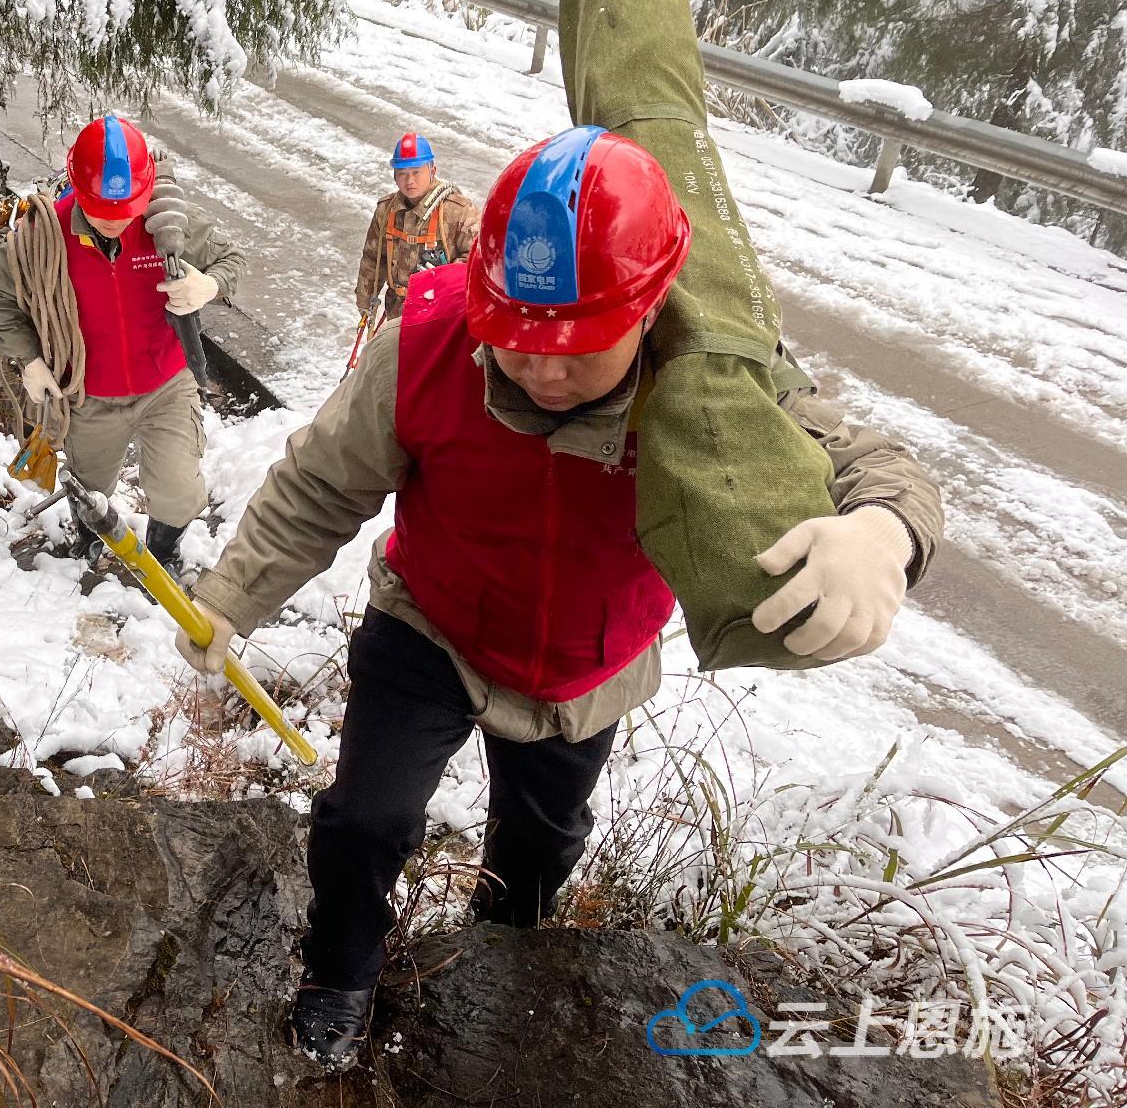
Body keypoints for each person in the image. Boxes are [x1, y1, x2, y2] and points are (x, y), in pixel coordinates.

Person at [180, 133, 942, 1073]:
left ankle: (497, 966)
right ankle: (337, 979)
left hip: (588, 664)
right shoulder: (425, 343)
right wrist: (231, 595)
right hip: (434, 624)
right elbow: (320, 485)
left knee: (540, 852)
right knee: (366, 821)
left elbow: (877, 465)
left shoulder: (713, 377)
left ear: (649, 308)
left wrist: (884, 534)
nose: (541, 372)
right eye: (519, 339)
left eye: (577, 349)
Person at [0, 113, 244, 569]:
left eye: (127, 209)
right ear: (77, 188)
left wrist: (209, 285)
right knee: (89, 486)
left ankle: (162, 549)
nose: (117, 222)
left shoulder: (167, 224)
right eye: (103, 211)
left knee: (179, 492)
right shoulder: (44, 235)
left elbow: (232, 259)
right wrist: (29, 360)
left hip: (165, 383)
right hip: (88, 391)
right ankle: (90, 539)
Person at [353, 131, 478, 324]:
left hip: (441, 313)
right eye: (402, 174)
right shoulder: (387, 210)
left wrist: (439, 279)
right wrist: (365, 300)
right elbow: (374, 258)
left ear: (432, 170)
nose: (409, 180)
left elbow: (476, 262)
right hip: (397, 311)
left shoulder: (458, 211)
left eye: (416, 172)